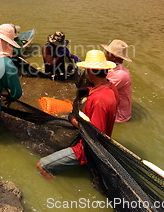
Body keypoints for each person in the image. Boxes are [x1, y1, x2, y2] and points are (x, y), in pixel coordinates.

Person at [36, 50, 118, 178]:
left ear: (91, 71)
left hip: (87, 150)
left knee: (42, 165)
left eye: (86, 70)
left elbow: (94, 134)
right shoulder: (111, 87)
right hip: (99, 144)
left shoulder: (99, 99)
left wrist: (74, 120)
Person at [101, 40, 133, 122]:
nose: (105, 55)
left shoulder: (120, 75)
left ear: (114, 57)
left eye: (107, 53)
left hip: (118, 116)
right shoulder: (113, 68)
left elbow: (101, 91)